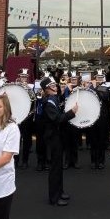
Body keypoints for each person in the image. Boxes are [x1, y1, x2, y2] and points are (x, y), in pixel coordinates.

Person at [41, 76, 76, 206]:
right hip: (52, 137)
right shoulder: (49, 102)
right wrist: (72, 113)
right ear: (47, 89)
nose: (56, 87)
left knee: (58, 167)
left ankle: (60, 191)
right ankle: (54, 198)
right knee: (55, 168)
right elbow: (57, 119)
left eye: (55, 85)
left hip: (57, 136)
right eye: (53, 86)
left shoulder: (54, 98)